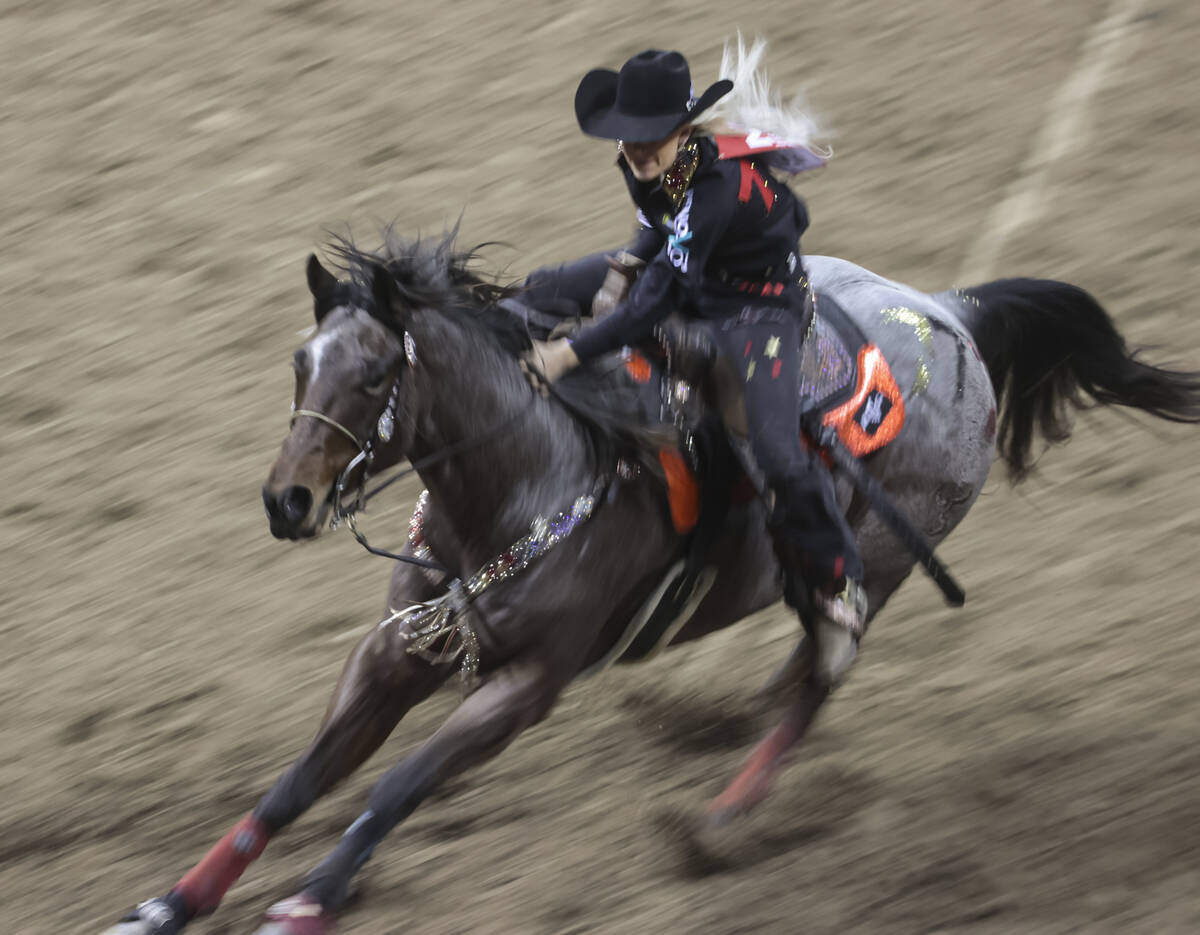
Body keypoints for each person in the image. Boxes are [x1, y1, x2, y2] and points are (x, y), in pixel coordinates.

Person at [524, 42, 868, 685]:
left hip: (756, 307)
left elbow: (654, 302)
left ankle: (838, 582)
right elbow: (659, 223)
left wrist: (567, 353)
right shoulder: (661, 163)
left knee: (773, 449)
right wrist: (628, 256)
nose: (633, 149)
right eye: (626, 136)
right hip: (694, 275)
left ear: (683, 131)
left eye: (648, 138)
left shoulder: (717, 188)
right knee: (543, 287)